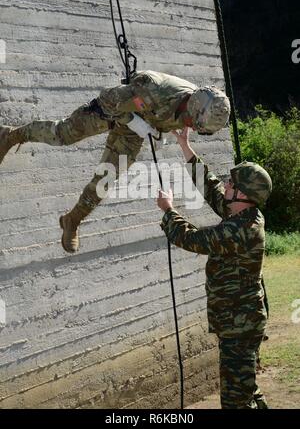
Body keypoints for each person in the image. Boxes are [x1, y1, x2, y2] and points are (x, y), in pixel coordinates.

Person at [0, 70, 230, 253]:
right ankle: (10, 136)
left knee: (106, 179)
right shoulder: (154, 90)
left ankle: (72, 220)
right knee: (62, 134)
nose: (190, 126)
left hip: (134, 132)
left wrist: (157, 133)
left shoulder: (195, 109)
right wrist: (136, 123)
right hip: (111, 113)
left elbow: (167, 120)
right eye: (192, 122)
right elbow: (108, 99)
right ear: (192, 106)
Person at [157, 127, 272, 409]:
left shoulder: (243, 229)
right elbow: (211, 188)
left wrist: (168, 211)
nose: (226, 185)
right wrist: (186, 146)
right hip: (238, 321)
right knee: (246, 391)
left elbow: (194, 239)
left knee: (235, 401)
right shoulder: (242, 211)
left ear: (243, 194)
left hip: (240, 325)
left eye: (232, 184)